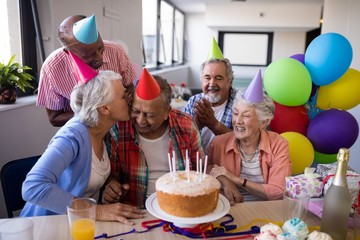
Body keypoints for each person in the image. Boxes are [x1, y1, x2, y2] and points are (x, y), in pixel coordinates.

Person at [21, 55, 144, 225]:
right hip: (45, 226)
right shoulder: (72, 136)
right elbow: (32, 187)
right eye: (123, 96)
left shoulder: (105, 131)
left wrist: (109, 187)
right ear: (105, 108)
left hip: (78, 223)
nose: (129, 99)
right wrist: (98, 210)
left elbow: (84, 181)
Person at [103, 69, 205, 208]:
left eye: (149, 115)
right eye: (135, 111)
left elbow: (200, 170)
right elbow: (112, 175)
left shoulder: (186, 125)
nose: (140, 120)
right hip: (136, 210)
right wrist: (112, 186)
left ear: (167, 112)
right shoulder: (118, 130)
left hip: (180, 206)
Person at [208, 70, 292, 204]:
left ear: (263, 122)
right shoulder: (218, 143)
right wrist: (225, 181)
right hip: (228, 208)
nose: (238, 121)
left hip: (266, 209)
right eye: (236, 114)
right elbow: (206, 171)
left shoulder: (278, 144)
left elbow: (279, 192)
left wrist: (237, 180)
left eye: (246, 116)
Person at [37, 14, 136, 127]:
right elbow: (54, 118)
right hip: (84, 132)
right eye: (89, 55)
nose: (99, 57)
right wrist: (93, 113)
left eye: (100, 48)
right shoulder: (51, 69)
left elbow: (130, 88)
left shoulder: (117, 52)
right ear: (68, 52)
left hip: (120, 127)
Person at [184, 38, 237, 152]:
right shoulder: (193, 102)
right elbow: (181, 140)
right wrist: (197, 125)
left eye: (219, 78)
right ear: (201, 79)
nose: (212, 84)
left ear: (229, 81)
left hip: (227, 165)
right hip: (197, 164)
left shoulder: (240, 103)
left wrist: (214, 124)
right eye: (207, 78)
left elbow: (245, 142)